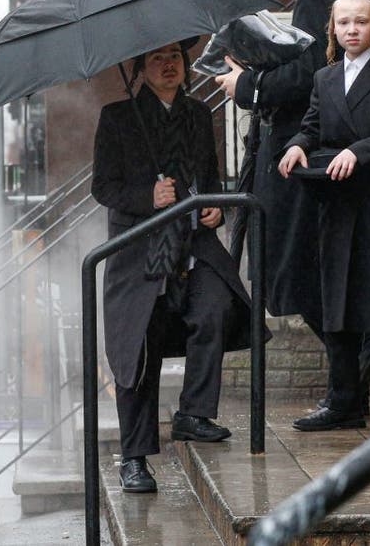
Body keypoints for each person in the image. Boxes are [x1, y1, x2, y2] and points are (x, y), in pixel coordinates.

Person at [92, 41, 262, 493]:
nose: (169, 65)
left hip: (195, 246)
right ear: (141, 71)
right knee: (137, 347)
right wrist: (148, 197)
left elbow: (208, 180)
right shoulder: (117, 118)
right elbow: (103, 187)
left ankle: (193, 412)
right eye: (156, 59)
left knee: (215, 308)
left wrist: (214, 209)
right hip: (139, 254)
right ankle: (134, 458)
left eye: (175, 57)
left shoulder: (198, 114)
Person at [216, 0, 367, 345]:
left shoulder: (317, 2)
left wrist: (244, 84)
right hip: (339, 148)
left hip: (304, 153)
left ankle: (352, 371)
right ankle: (352, 373)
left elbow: (306, 75)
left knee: (291, 269)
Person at [278, 0, 370, 431]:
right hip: (334, 203)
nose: (352, 30)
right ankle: (343, 403)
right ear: (332, 30)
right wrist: (297, 145)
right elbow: (312, 125)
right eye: (344, 23)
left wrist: (359, 151)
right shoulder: (324, 77)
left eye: (360, 22)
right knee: (334, 301)